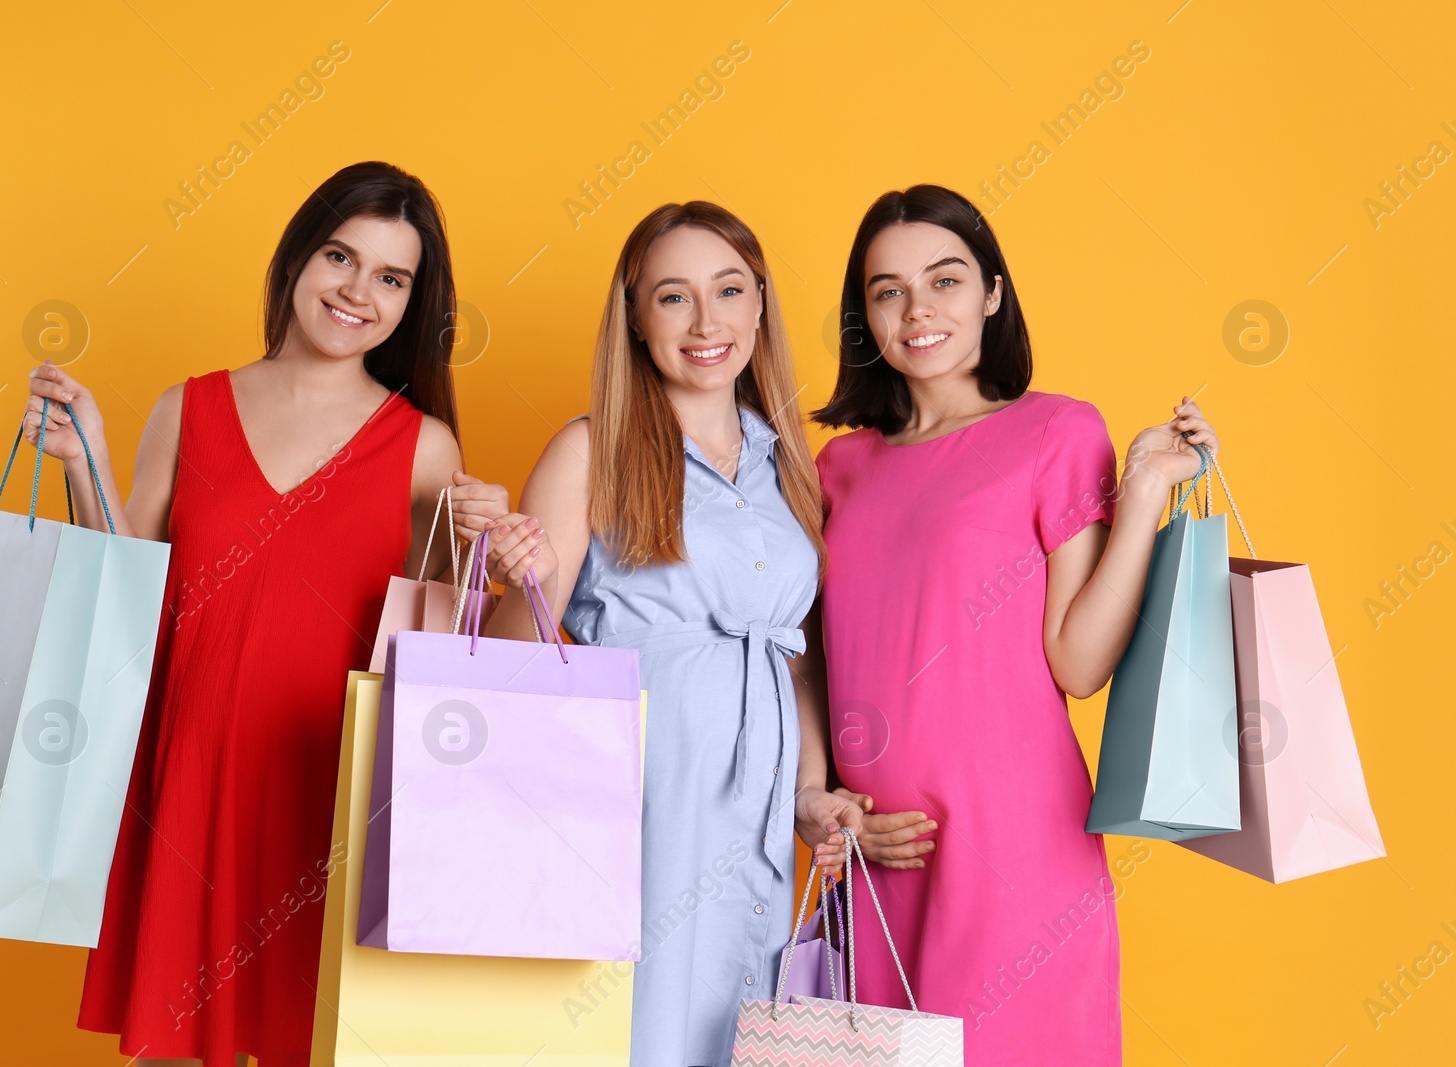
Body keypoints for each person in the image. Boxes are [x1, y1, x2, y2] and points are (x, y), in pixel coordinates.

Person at [22, 161, 505, 1067]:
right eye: (340, 256)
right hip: (195, 777)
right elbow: (126, 593)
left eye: (391, 278)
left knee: (310, 1042)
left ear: (412, 302)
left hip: (329, 797)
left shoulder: (424, 447)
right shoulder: (187, 407)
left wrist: (482, 545)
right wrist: (82, 457)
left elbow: (444, 644)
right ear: (296, 259)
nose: (358, 292)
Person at [812, 184, 1220, 1066]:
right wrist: (828, 802)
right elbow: (806, 660)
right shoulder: (838, 466)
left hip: (1010, 846)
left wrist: (1144, 489)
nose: (919, 311)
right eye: (888, 291)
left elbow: (1078, 661)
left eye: (946, 280)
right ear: (865, 317)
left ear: (992, 293)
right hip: (877, 857)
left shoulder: (1057, 433)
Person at [451, 202, 863, 1066]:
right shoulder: (591, 450)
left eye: (728, 290)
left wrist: (810, 792)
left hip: (757, 813)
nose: (706, 322)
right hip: (640, 799)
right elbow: (515, 659)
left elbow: (797, 657)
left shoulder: (791, 463)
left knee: (744, 1027)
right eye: (673, 297)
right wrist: (519, 573)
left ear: (761, 304)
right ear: (635, 319)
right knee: (634, 1027)